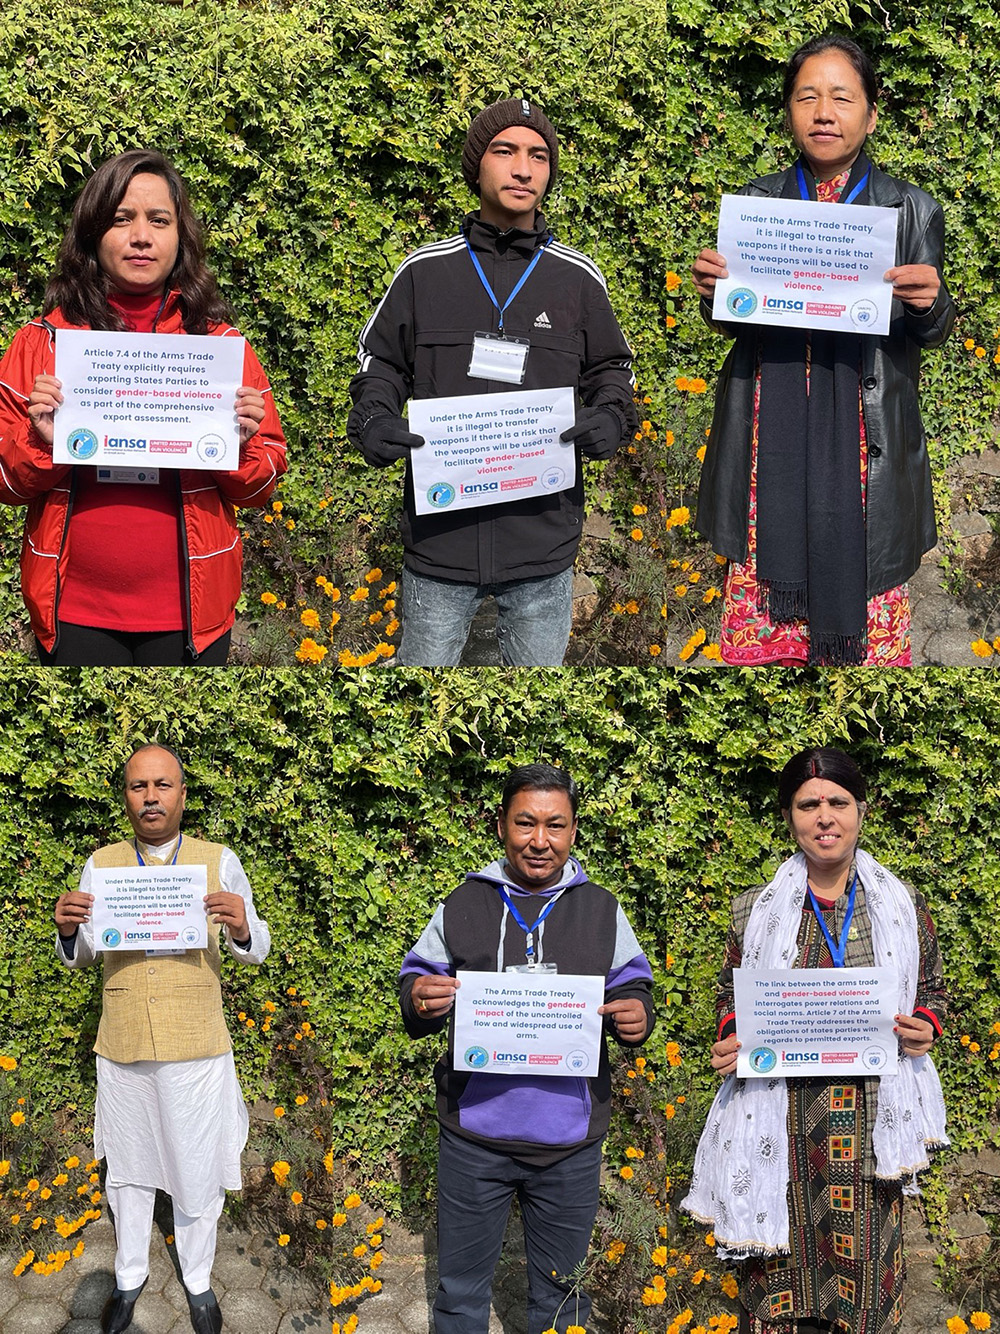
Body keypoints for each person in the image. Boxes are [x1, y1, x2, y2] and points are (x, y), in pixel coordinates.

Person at [691, 36, 954, 666]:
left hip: (864, 445)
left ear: (870, 112)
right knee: (764, 641)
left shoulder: (910, 209)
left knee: (861, 651)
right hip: (770, 444)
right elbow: (738, 320)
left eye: (842, 97)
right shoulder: (760, 204)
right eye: (808, 96)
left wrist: (930, 303)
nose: (824, 112)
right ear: (789, 110)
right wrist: (713, 293)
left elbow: (933, 332)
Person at [348, 98, 638, 666]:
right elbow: (379, 365)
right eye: (505, 152)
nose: (523, 169)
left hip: (543, 545)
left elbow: (613, 371)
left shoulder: (576, 279)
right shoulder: (423, 272)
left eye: (538, 156)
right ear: (477, 165)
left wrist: (610, 417)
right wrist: (374, 419)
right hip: (439, 543)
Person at [682, 747, 948, 1334]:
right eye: (809, 805)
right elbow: (733, 999)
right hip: (780, 1125)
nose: (824, 817)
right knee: (777, 1280)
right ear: (789, 816)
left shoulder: (900, 907)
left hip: (866, 1130)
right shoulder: (755, 911)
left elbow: (931, 988)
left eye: (838, 802)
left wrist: (925, 1025)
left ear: (860, 811)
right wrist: (730, 1039)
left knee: (861, 1288)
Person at [0, 149, 287, 665]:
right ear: (92, 233)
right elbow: (6, 482)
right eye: (121, 219)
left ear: (181, 237)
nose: (141, 236)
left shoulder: (221, 349)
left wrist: (240, 447)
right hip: (73, 612)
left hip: (192, 616)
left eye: (159, 220)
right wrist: (41, 441)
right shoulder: (40, 344)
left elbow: (264, 486)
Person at [399, 763, 654, 1332]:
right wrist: (420, 996)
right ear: (501, 827)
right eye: (525, 823)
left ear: (573, 832)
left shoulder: (603, 909)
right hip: (474, 1140)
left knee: (564, 1301)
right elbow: (417, 977)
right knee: (460, 1295)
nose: (540, 841)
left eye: (555, 826)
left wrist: (638, 1016)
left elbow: (632, 985)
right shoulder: (463, 902)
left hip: (569, 1143)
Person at [54, 743, 270, 1334]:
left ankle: (198, 1280)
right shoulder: (102, 865)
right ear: (126, 795)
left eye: (162, 785)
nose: (150, 797)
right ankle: (129, 1277)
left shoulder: (217, 861)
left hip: (195, 1045)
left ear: (181, 792)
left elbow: (255, 952)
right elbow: (85, 953)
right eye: (138, 786)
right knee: (127, 1169)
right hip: (122, 1043)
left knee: (195, 1165)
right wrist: (70, 931)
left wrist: (245, 925)